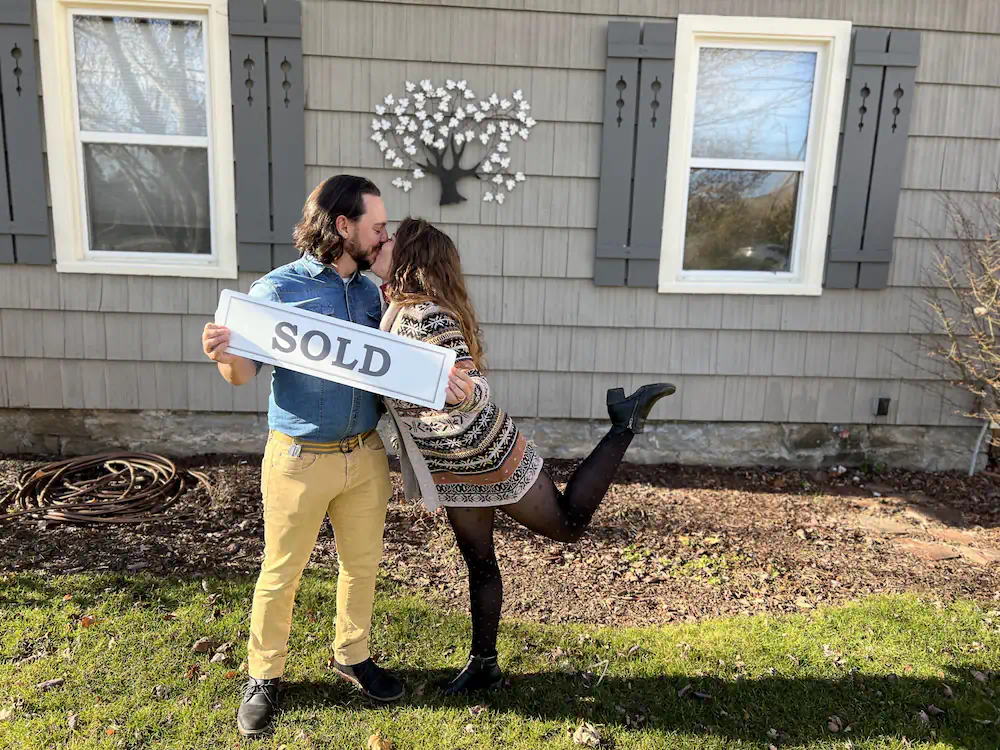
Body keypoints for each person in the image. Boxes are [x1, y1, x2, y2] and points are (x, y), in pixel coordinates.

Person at [370, 218, 675, 696]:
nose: (379, 243)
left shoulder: (425, 315)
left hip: (490, 456)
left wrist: (465, 392)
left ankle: (624, 423)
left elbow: (469, 380)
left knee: (568, 526)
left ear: (409, 255)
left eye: (388, 240)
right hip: (455, 466)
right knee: (480, 561)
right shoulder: (394, 309)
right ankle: (484, 665)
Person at [202, 176, 434, 737]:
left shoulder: (378, 290)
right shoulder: (278, 291)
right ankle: (264, 674)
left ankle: (353, 655)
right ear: (342, 226)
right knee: (281, 572)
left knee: (362, 567)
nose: (385, 237)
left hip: (366, 454)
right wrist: (222, 354)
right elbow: (239, 376)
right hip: (300, 458)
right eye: (377, 227)